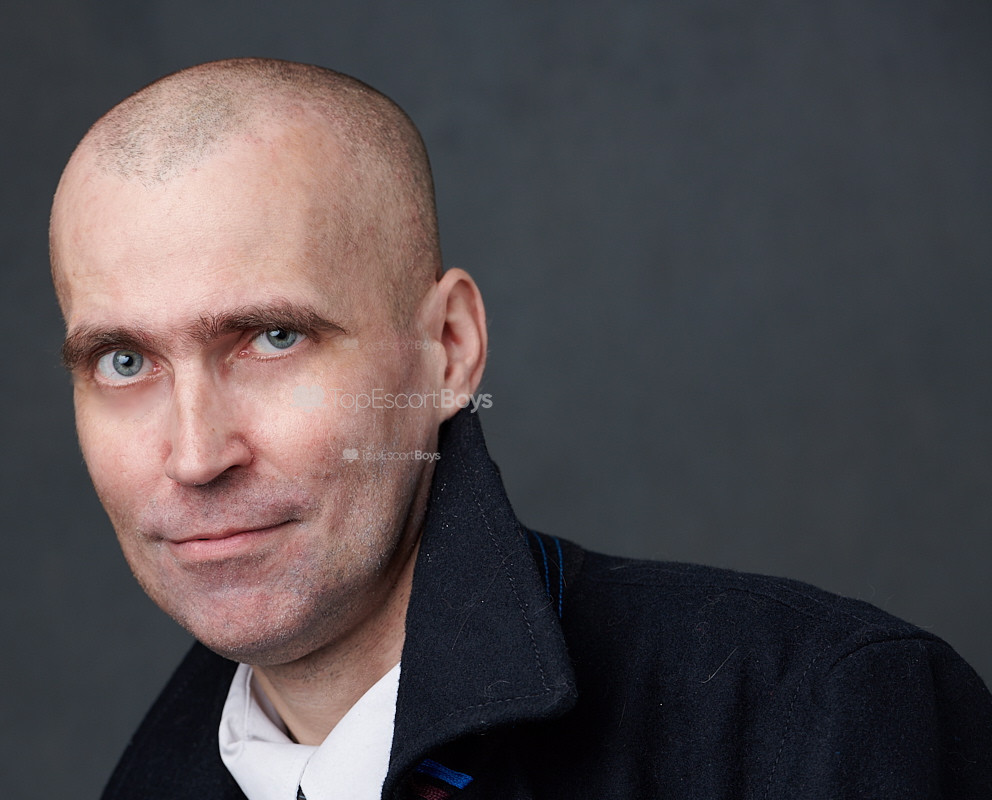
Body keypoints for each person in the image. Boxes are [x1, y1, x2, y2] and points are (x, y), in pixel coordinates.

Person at [49, 58, 992, 800]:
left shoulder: (826, 722)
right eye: (124, 361)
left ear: (449, 350)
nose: (196, 455)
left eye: (273, 337)